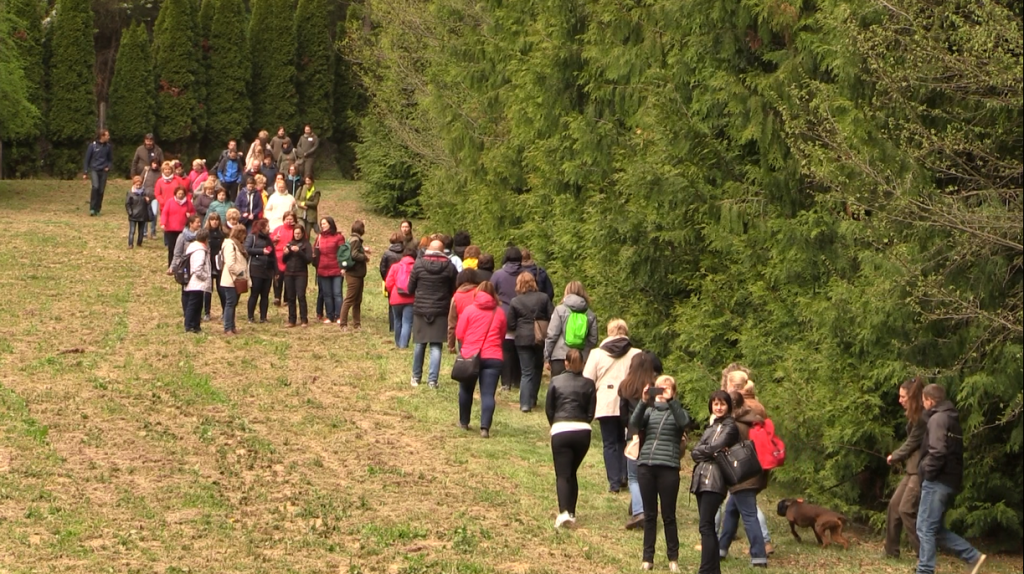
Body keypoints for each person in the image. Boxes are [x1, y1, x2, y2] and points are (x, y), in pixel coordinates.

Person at [915, 384, 986, 574]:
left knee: (925, 528)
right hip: (949, 481)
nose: (923, 405)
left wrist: (926, 471)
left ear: (929, 400)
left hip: (938, 481)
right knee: (935, 529)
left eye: (923, 401)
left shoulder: (938, 419)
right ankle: (973, 556)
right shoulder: (950, 418)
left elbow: (938, 451)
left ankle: (924, 570)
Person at [631, 375, 692, 573]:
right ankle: (647, 558)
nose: (661, 392)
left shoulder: (678, 412)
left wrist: (671, 401)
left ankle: (673, 558)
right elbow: (634, 423)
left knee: (669, 515)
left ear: (673, 392)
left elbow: (684, 422)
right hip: (646, 466)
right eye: (658, 388)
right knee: (650, 515)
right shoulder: (649, 412)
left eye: (666, 389)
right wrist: (643, 400)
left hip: (668, 467)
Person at [584, 319, 642, 493]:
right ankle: (626, 475)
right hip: (631, 404)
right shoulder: (636, 354)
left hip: (606, 402)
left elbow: (588, 380)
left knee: (609, 443)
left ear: (608, 332)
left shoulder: (596, 354)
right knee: (627, 440)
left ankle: (614, 482)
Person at [545, 348, 597, 528]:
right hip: (583, 431)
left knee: (562, 474)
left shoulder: (556, 381)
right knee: (572, 471)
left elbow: (549, 408)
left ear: (566, 363)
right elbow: (591, 412)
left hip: (561, 428)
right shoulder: (589, 384)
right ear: (582, 363)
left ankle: (564, 512)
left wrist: (555, 423)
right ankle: (572, 512)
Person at [690, 391, 740, 574]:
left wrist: (706, 450)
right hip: (701, 478)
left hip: (716, 479)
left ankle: (705, 570)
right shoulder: (712, 426)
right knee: (707, 525)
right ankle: (713, 570)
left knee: (706, 525)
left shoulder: (731, 427)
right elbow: (694, 452)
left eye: (722, 404)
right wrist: (707, 451)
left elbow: (715, 449)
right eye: (715, 404)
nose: (718, 407)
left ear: (729, 406)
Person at [717, 391, 769, 568]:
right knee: (731, 510)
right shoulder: (751, 419)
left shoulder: (733, 425)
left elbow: (720, 446)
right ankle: (721, 549)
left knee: (749, 516)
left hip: (741, 474)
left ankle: (759, 557)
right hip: (755, 471)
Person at [454, 282, 507, 438]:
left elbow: (460, 333)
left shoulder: (469, 310)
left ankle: (464, 422)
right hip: (493, 356)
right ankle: (485, 428)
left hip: (470, 355)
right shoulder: (500, 312)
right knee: (488, 394)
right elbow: (502, 334)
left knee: (465, 390)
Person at [619, 351, 664, 530]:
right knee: (648, 473)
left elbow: (622, 415)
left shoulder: (625, 386)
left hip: (634, 434)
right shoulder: (656, 388)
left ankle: (640, 511)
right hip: (653, 434)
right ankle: (642, 506)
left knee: (633, 476)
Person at [407, 239, 458, 388]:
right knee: (436, 346)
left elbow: (410, 288)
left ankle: (416, 377)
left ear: (428, 249)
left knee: (419, 344)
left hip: (421, 309)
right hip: (441, 309)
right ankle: (432, 380)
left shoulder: (418, 264)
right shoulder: (449, 266)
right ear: (443, 251)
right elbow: (454, 287)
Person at [885, 376, 926, 559]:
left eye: (903, 397)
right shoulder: (915, 416)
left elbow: (911, 443)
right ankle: (891, 552)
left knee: (906, 510)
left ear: (913, 397)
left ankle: (924, 556)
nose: (900, 400)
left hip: (920, 470)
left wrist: (894, 456)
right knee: (894, 506)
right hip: (912, 469)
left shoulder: (923, 418)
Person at [508, 273, 555, 412]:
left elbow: (510, 324)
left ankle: (525, 403)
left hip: (522, 338)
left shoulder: (515, 301)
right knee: (537, 369)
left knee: (526, 372)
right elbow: (552, 316)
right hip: (540, 337)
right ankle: (533, 399)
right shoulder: (543, 297)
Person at [544, 281, 599, 375]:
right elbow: (593, 339)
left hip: (559, 357)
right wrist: (585, 356)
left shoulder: (559, 310)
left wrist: (546, 357)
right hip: (580, 359)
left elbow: (552, 335)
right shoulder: (590, 314)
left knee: (558, 387)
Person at [492, 247, 526, 390]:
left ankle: (505, 382)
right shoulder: (526, 274)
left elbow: (491, 291)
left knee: (505, 350)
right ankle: (518, 381)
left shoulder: (498, 275)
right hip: (523, 315)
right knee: (520, 350)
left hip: (503, 314)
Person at [340, 220, 371, 330]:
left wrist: (363, 249)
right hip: (354, 274)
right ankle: (343, 324)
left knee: (357, 300)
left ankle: (357, 324)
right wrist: (365, 257)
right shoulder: (356, 240)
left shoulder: (351, 238)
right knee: (349, 299)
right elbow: (354, 254)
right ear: (361, 229)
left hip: (357, 274)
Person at [313, 217, 345, 324]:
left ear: (330, 224)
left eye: (325, 223)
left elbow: (343, 253)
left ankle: (339, 316)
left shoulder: (338, 237)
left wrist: (343, 267)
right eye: (321, 224)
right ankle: (330, 316)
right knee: (327, 294)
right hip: (322, 269)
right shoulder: (319, 237)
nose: (323, 226)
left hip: (336, 269)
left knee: (337, 293)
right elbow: (315, 252)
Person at [219, 224, 249, 335]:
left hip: (238, 279)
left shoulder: (239, 245)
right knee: (230, 303)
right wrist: (240, 272)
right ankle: (227, 328)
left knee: (234, 303)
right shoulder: (230, 245)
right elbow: (230, 263)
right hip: (231, 279)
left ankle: (232, 326)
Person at [385, 247, 417, 348]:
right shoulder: (416, 267)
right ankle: (403, 344)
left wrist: (392, 292)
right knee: (407, 322)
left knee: (397, 320)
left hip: (396, 298)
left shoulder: (395, 266)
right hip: (410, 298)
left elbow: (388, 283)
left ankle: (398, 342)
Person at [245, 218, 275, 323]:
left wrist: (275, 270)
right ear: (261, 228)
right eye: (267, 226)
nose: (269, 228)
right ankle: (250, 316)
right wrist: (261, 251)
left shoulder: (269, 239)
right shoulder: (252, 237)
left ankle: (263, 317)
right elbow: (247, 249)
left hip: (267, 269)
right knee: (255, 293)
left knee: (265, 295)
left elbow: (273, 254)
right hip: (256, 268)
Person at [183, 228, 213, 334]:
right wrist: (206, 276)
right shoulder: (200, 251)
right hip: (196, 283)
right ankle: (189, 325)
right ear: (206, 239)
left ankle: (195, 325)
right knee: (193, 305)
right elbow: (197, 268)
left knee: (198, 305)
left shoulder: (193, 247)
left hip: (193, 282)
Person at [282, 226, 313, 327]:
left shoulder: (306, 244)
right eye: (295, 233)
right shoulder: (290, 243)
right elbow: (284, 261)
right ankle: (292, 320)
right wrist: (285, 253)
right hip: (289, 273)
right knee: (291, 297)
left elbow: (308, 260)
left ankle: (304, 319)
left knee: (301, 296)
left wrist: (299, 251)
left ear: (303, 233)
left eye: (299, 233)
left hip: (301, 274)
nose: (297, 235)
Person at [161, 187, 195, 266]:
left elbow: (193, 212)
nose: (180, 195)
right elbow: (165, 213)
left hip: (183, 229)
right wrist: (163, 223)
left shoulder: (188, 202)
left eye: (182, 194)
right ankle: (171, 265)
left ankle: (181, 265)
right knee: (172, 248)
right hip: (171, 229)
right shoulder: (170, 202)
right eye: (179, 194)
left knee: (182, 248)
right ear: (175, 194)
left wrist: (190, 215)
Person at [448, 270, 480, 353]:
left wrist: (451, 345)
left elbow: (452, 324)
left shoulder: (456, 297)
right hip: (480, 331)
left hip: (463, 334)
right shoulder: (480, 293)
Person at [202, 213, 226, 322]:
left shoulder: (223, 234)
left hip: (219, 263)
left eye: (217, 219)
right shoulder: (205, 234)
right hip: (208, 263)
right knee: (208, 290)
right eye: (212, 220)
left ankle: (225, 311)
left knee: (221, 289)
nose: (215, 222)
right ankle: (207, 312)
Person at [270, 212, 298, 307]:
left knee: (288, 278)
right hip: (278, 257)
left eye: (291, 219)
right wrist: (274, 239)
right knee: (278, 277)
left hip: (291, 257)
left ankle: (287, 298)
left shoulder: (296, 230)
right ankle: (277, 297)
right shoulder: (278, 229)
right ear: (283, 219)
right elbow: (270, 240)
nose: (289, 221)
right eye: (287, 219)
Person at [83, 129, 113, 216]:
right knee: (95, 187)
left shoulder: (108, 147)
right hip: (94, 169)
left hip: (103, 170)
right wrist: (85, 172)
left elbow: (110, 159)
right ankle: (92, 208)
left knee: (101, 190)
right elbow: (87, 159)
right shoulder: (92, 146)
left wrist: (108, 167)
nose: (108, 137)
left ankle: (98, 209)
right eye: (107, 135)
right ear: (102, 136)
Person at [380, 232, 406, 332]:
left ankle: (393, 327)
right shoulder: (406, 253)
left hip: (391, 282)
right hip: (404, 282)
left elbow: (382, 268)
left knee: (392, 305)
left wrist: (386, 279)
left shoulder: (387, 253)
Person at [125, 176, 149, 249]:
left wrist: (147, 201)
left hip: (142, 214)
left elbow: (148, 205)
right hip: (133, 215)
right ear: (134, 184)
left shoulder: (145, 193)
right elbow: (127, 204)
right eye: (137, 185)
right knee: (132, 230)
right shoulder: (130, 193)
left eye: (139, 185)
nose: (138, 186)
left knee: (141, 231)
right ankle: (130, 244)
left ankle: (139, 243)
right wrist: (130, 212)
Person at [142, 159, 161, 239]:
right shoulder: (146, 171)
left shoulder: (160, 173)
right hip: (146, 195)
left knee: (154, 214)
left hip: (155, 196)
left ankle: (153, 232)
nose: (155, 165)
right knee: (145, 214)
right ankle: (144, 233)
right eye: (154, 163)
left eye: (156, 164)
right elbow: (140, 180)